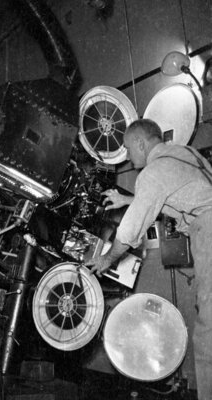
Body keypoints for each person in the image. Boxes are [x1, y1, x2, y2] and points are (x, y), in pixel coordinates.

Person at [86, 118, 212, 400]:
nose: (129, 157)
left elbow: (131, 228)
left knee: (208, 335)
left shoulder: (153, 172)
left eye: (129, 149)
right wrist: (128, 199)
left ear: (141, 143)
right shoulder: (184, 154)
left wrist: (108, 258)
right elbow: (178, 190)